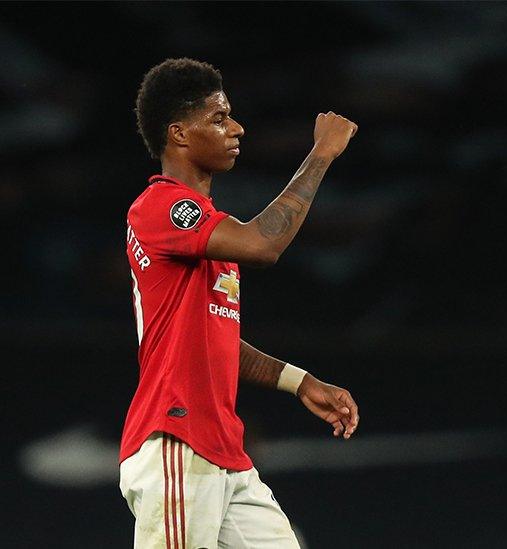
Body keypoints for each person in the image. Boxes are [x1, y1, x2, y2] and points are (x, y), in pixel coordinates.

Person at [119, 57, 360, 548]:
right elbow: (263, 246)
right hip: (176, 437)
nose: (236, 128)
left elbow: (215, 338)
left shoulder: (208, 230)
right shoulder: (163, 205)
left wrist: (298, 381)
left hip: (223, 448)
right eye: (218, 118)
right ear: (179, 134)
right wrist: (321, 155)